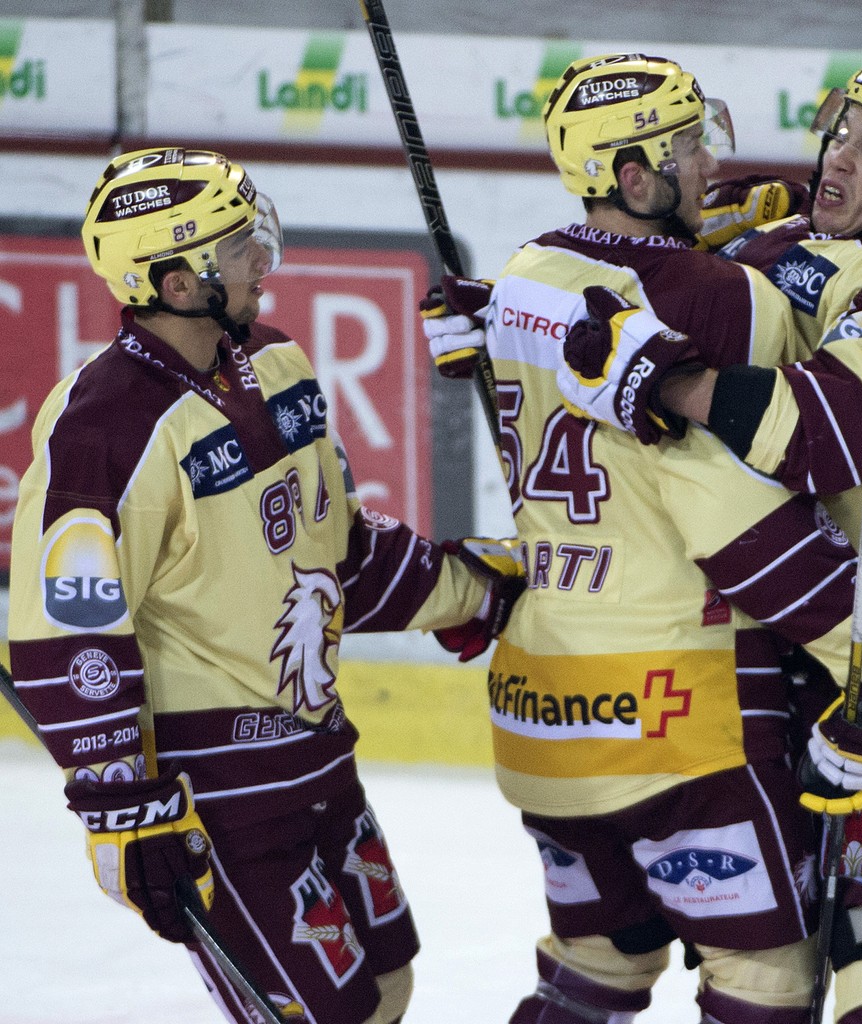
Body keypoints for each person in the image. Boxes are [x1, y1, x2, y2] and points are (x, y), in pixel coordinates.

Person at [420, 54, 862, 1024]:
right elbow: (747, 491)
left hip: (542, 713)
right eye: (690, 147)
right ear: (636, 178)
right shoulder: (727, 298)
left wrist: (491, 311)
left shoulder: (525, 280)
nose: (712, 164)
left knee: (594, 969)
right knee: (767, 981)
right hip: (680, 709)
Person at [6, 147, 519, 1024]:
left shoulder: (276, 364)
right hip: (217, 797)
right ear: (174, 283)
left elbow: (338, 550)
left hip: (318, 752)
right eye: (239, 244)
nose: (263, 259)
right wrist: (122, 811)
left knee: (389, 986)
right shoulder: (103, 426)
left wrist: (467, 590)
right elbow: (70, 636)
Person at [558, 59, 862, 1024]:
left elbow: (820, 435)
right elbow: (626, 278)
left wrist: (661, 383)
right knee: (765, 972)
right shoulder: (782, 229)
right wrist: (517, 319)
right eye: (841, 131)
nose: (838, 156)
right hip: (756, 649)